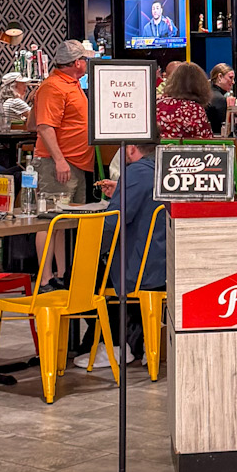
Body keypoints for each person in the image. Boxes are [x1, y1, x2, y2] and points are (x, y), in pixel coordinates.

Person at [96, 144, 166, 359]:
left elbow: (113, 222)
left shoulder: (135, 172)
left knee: (78, 276)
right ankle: (138, 341)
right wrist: (122, 188)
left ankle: (114, 345)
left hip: (138, 268)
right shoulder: (166, 168)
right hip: (164, 263)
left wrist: (93, 246)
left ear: (131, 148)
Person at [33, 40, 94, 205]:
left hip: (75, 164)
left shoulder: (72, 84)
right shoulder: (53, 86)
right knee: (52, 218)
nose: (87, 63)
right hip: (58, 163)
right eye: (85, 60)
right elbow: (45, 127)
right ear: (77, 62)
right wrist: (60, 161)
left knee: (68, 220)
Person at [156, 61, 215, 141]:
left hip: (154, 151)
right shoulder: (195, 109)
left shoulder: (157, 103)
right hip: (184, 152)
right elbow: (207, 141)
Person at [206, 63, 236, 136]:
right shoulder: (219, 99)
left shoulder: (206, 93)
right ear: (220, 77)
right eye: (230, 78)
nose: (233, 82)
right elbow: (223, 129)